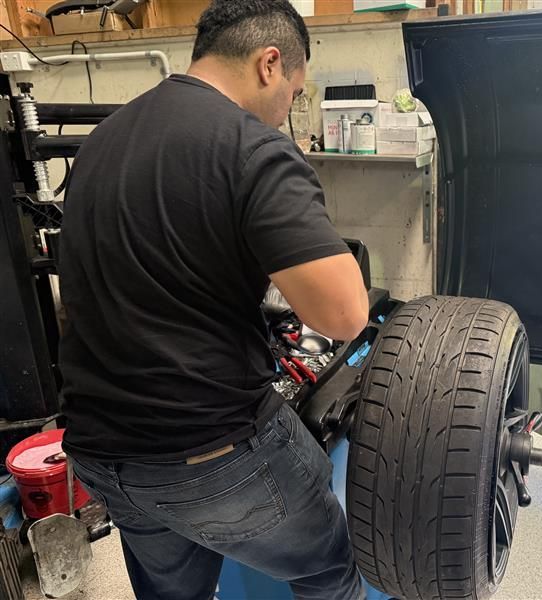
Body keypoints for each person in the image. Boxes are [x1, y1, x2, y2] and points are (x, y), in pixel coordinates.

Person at [57, 1, 368, 598]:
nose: (288, 111)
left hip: (98, 452)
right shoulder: (253, 147)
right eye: (293, 94)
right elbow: (345, 315)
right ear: (269, 64)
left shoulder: (103, 139)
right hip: (208, 453)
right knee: (328, 568)